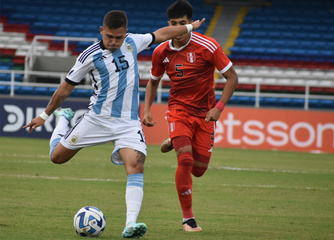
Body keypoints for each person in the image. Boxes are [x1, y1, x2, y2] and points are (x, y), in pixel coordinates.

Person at [23, 10, 205, 238]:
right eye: (109, 36)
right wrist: (45, 115)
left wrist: (189, 28)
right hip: (96, 120)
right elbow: (66, 88)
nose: (114, 42)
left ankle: (130, 225)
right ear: (102, 31)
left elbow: (162, 33)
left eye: (118, 37)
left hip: (128, 123)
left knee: (136, 165)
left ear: (125, 34)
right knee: (56, 158)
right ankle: (64, 119)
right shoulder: (88, 56)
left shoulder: (133, 42)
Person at [142, 0, 238, 232]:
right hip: (178, 111)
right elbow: (153, 83)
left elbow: (232, 77)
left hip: (205, 115)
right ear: (168, 24)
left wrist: (219, 107)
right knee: (184, 160)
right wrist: (146, 109)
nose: (177, 29)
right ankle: (188, 220)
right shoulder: (161, 51)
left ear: (190, 23)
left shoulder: (208, 46)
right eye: (173, 24)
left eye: (182, 23)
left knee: (198, 170)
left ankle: (176, 141)